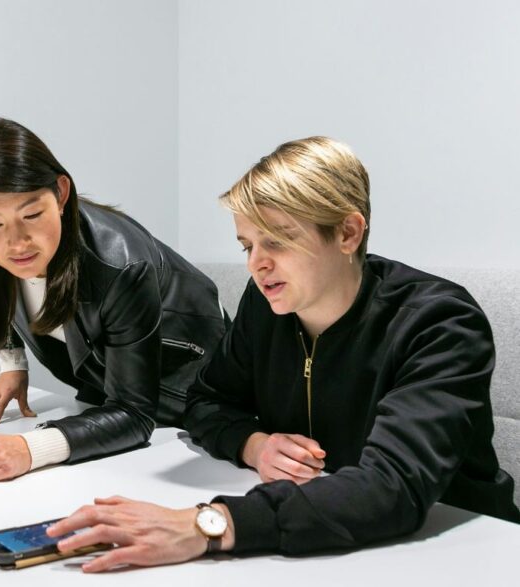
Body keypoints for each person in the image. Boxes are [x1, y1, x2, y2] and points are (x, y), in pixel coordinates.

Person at [45, 136, 520, 572]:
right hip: (323, 537)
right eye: (248, 244)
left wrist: (206, 525)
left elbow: (391, 486)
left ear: (348, 233)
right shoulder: (268, 304)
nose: (256, 263)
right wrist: (255, 444)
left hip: (464, 551)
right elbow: (206, 402)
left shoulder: (440, 323)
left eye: (278, 240)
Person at [0, 118, 227, 482]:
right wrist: (12, 363)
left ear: (61, 194)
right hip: (110, 400)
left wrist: (30, 449)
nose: (17, 242)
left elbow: (135, 414)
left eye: (32, 215)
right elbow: (1, 295)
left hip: (189, 402)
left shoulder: (122, 264)